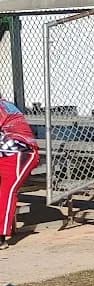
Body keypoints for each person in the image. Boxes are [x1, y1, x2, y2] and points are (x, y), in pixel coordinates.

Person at [0, 98, 40, 249]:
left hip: (21, 152)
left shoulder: (2, 106)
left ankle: (1, 235)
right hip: (4, 152)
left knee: (7, 191)